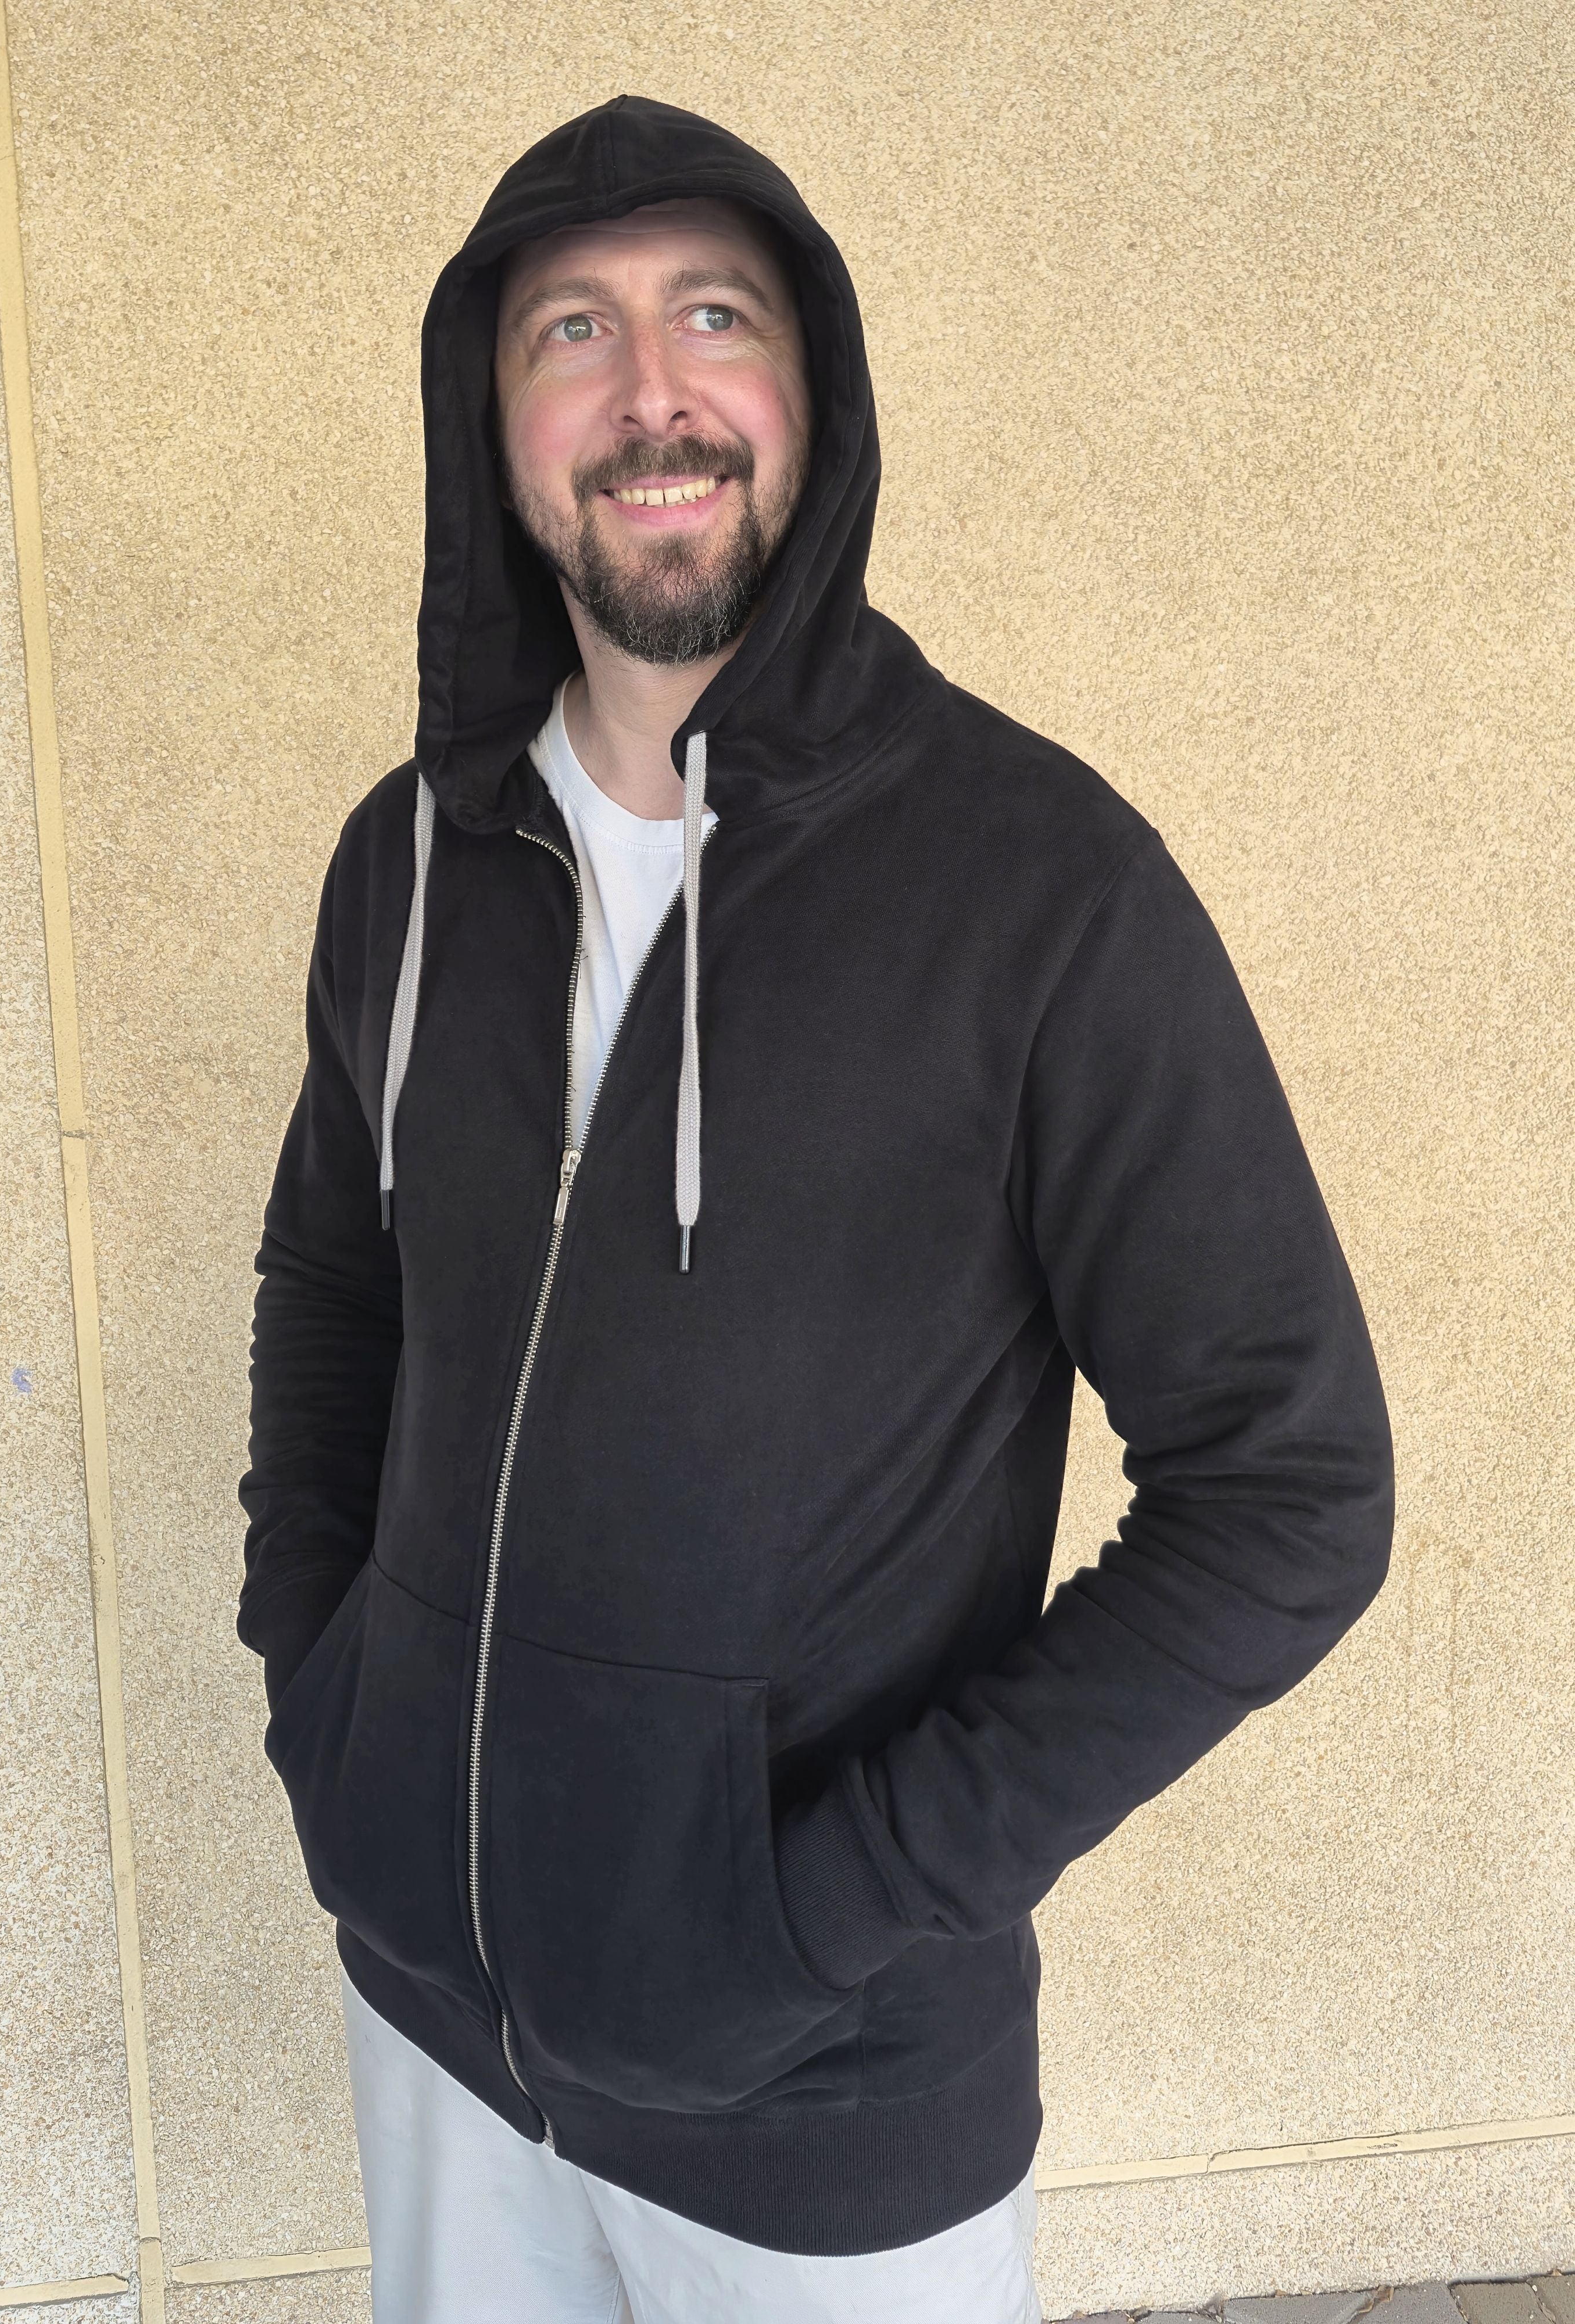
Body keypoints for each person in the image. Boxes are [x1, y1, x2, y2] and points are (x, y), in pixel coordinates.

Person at [238, 94, 1393, 2324]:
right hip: (433, 2029)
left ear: (811, 395)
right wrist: (331, 1694)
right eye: (571, 330)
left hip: (831, 2111)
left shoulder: (1037, 887)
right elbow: (331, 1280)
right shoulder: (403, 865)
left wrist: (836, 1901)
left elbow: (1292, 1487)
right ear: (489, 424)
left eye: (714, 316)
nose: (651, 389)